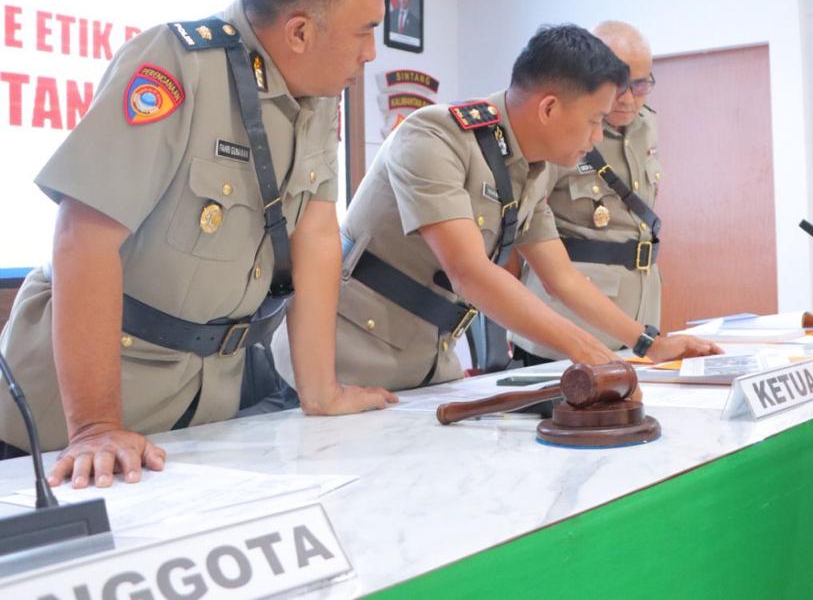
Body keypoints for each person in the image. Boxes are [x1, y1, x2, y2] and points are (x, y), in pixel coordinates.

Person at [0, 0, 399, 488]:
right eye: (365, 30)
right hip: (68, 434)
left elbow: (313, 239)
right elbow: (82, 237)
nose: (370, 53)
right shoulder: (176, 64)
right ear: (299, 32)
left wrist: (322, 393)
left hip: (198, 414)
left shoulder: (314, 102)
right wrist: (94, 425)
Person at [270, 23, 719, 394]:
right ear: (548, 108)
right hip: (342, 365)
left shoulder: (534, 167)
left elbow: (560, 278)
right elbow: (470, 272)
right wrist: (588, 352)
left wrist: (647, 343)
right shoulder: (434, 137)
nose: (598, 136)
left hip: (427, 364)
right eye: (594, 120)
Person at [514, 21, 663, 365]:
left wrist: (645, 337)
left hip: (636, 312)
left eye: (640, 85)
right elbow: (519, 229)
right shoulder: (562, 129)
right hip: (566, 325)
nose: (628, 98)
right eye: (621, 85)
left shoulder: (647, 125)